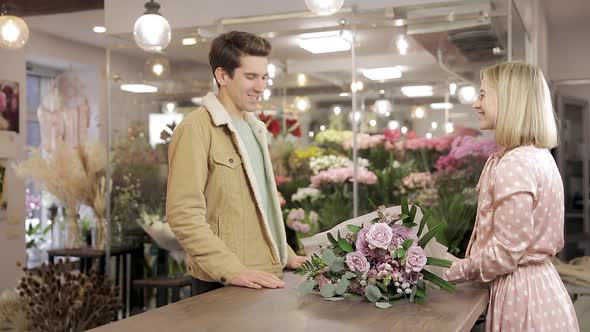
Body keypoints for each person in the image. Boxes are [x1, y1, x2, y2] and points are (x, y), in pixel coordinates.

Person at [166, 31, 306, 294]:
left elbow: (261, 206)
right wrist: (233, 270)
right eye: (250, 76)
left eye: (264, 77)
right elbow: (182, 214)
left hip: (265, 274)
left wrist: (283, 252)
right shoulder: (195, 129)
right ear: (222, 76)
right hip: (224, 283)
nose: (261, 86)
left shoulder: (255, 129)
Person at [445, 61, 579, 331]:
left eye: (483, 94)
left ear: (509, 100)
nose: (475, 104)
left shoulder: (514, 163)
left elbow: (505, 253)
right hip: (541, 291)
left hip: (521, 296)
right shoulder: (537, 155)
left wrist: (448, 272)